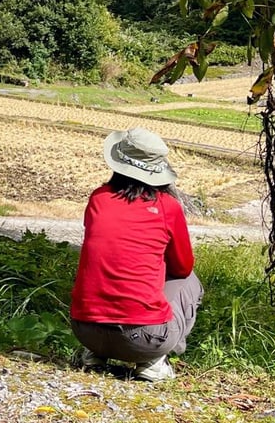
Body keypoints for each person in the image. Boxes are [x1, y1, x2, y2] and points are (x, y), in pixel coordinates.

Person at [70, 127, 203, 382]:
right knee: (190, 282)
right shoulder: (168, 207)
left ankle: (95, 354)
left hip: (85, 330)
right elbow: (182, 268)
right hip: (143, 339)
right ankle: (154, 361)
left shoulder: (98, 198)